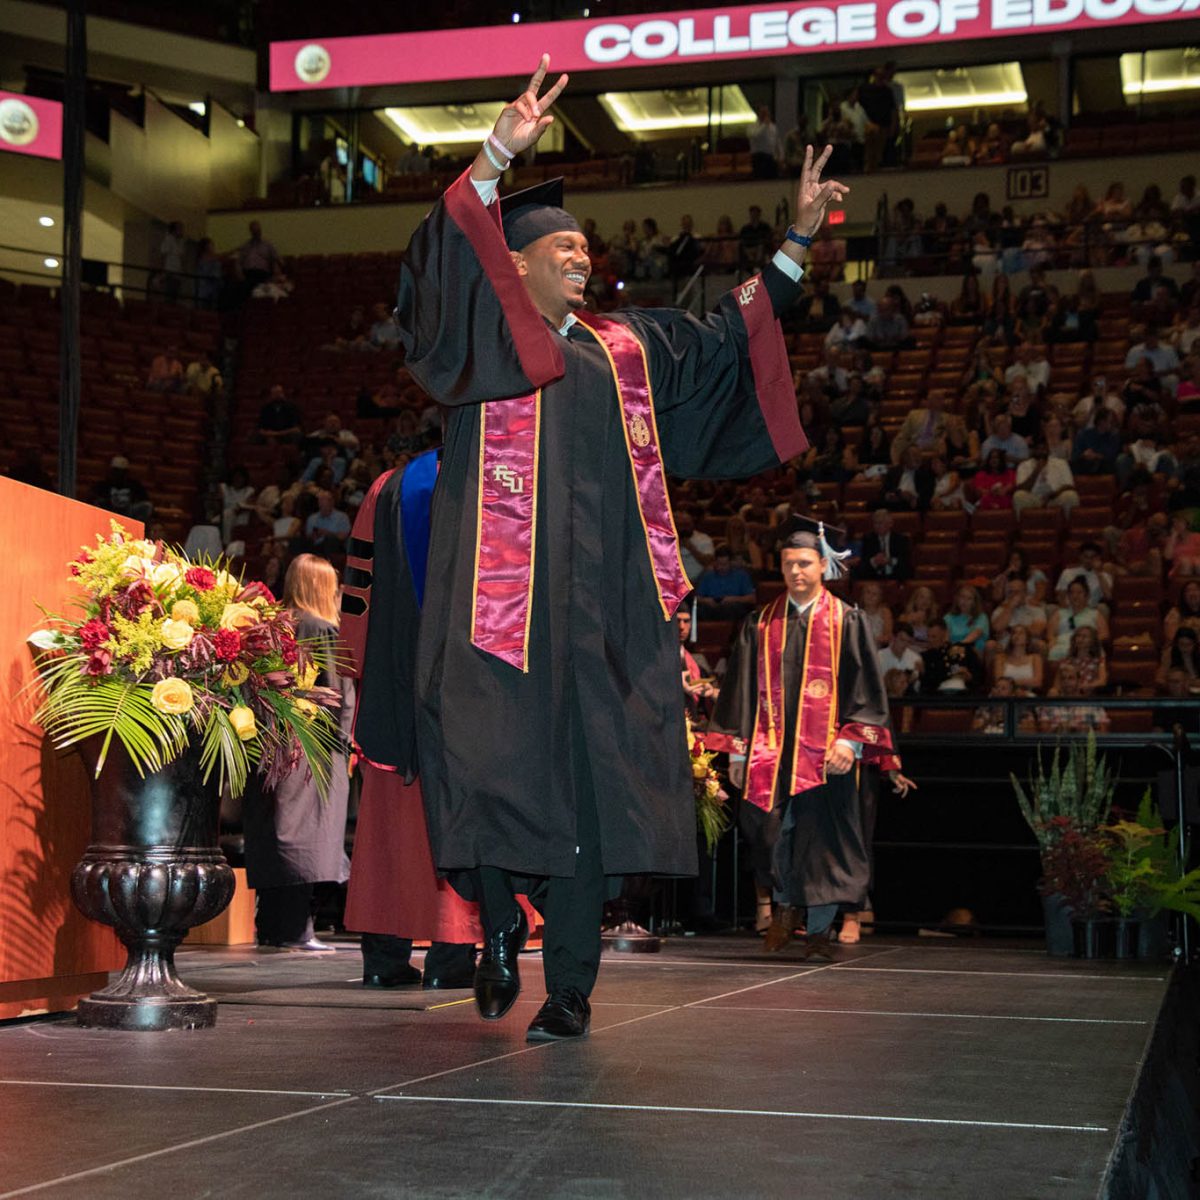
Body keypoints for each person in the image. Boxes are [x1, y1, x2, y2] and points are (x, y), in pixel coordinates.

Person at [398, 58, 834, 1042]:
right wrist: (496, 156)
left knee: (588, 803)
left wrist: (798, 240)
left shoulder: (624, 348)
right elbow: (439, 268)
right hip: (501, 616)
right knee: (479, 769)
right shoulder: (483, 338)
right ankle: (502, 918)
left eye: (587, 249)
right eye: (564, 249)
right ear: (517, 265)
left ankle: (571, 991)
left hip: (605, 618)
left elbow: (727, 339)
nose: (583, 260)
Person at [712, 528, 901, 960]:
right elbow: (739, 689)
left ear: (823, 567)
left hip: (826, 756)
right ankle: (786, 908)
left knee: (824, 842)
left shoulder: (846, 621)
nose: (796, 571)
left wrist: (850, 743)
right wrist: (739, 751)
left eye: (804, 563)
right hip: (769, 753)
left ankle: (818, 930)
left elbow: (867, 688)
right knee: (768, 833)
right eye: (788, 564)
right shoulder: (760, 623)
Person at [340, 451, 488, 991]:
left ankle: (382, 958)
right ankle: (451, 957)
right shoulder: (500, 481)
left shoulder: (390, 486)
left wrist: (361, 666)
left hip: (392, 679)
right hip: (473, 689)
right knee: (455, 821)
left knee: (387, 828)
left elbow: (361, 588)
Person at [244, 555, 352, 951]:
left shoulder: (268, 625)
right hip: (311, 748)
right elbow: (338, 692)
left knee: (277, 833)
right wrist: (346, 744)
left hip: (267, 741)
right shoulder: (321, 628)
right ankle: (295, 929)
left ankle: (274, 926)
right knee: (309, 835)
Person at [1047, 576, 1110, 661]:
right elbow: (1050, 635)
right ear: (1068, 596)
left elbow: (1104, 634)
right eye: (1072, 593)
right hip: (1063, 646)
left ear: (1087, 596)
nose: (1075, 596)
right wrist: (1052, 643)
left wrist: (1088, 642)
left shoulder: (1095, 614)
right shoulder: (1059, 613)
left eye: (1079, 593)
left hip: (1087, 647)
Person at [1012, 446, 1079, 521]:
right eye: (1038, 448)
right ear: (1032, 450)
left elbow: (1070, 486)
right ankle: (1024, 530)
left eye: (1043, 448)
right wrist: (1037, 470)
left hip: (1055, 497)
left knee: (1071, 495)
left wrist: (1054, 494)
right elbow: (1022, 488)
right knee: (1018, 496)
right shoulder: (1023, 465)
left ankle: (1069, 529)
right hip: (1034, 497)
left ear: (1048, 449)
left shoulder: (1061, 463)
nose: (1041, 451)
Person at [696, 546, 757, 622]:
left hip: (733, 608)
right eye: (718, 564)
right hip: (711, 608)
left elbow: (752, 598)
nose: (721, 567)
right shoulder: (708, 576)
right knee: (701, 609)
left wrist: (732, 599)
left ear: (731, 563)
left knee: (731, 608)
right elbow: (697, 598)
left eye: (724, 564)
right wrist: (706, 600)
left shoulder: (741, 575)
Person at [854, 508, 912, 581]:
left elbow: (905, 562)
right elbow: (863, 563)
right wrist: (874, 561)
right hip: (873, 577)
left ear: (890, 524)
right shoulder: (868, 539)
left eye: (880, 523)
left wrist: (890, 561)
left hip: (896, 577)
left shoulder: (901, 540)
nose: (877, 526)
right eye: (875, 523)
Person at [90, 455, 153, 523]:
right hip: (109, 513)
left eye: (122, 471)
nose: (119, 474)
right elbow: (94, 500)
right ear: (111, 471)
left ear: (126, 472)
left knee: (147, 506)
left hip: (129, 514)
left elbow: (144, 501)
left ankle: (135, 526)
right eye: (116, 471)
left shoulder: (134, 485)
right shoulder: (103, 485)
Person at [236, 219, 279, 295]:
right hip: (247, 273)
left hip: (262, 274)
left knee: (249, 285)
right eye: (254, 231)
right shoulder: (246, 246)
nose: (257, 232)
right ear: (251, 232)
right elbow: (238, 262)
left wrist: (275, 274)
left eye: (258, 230)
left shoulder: (267, 245)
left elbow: (274, 260)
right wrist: (240, 273)